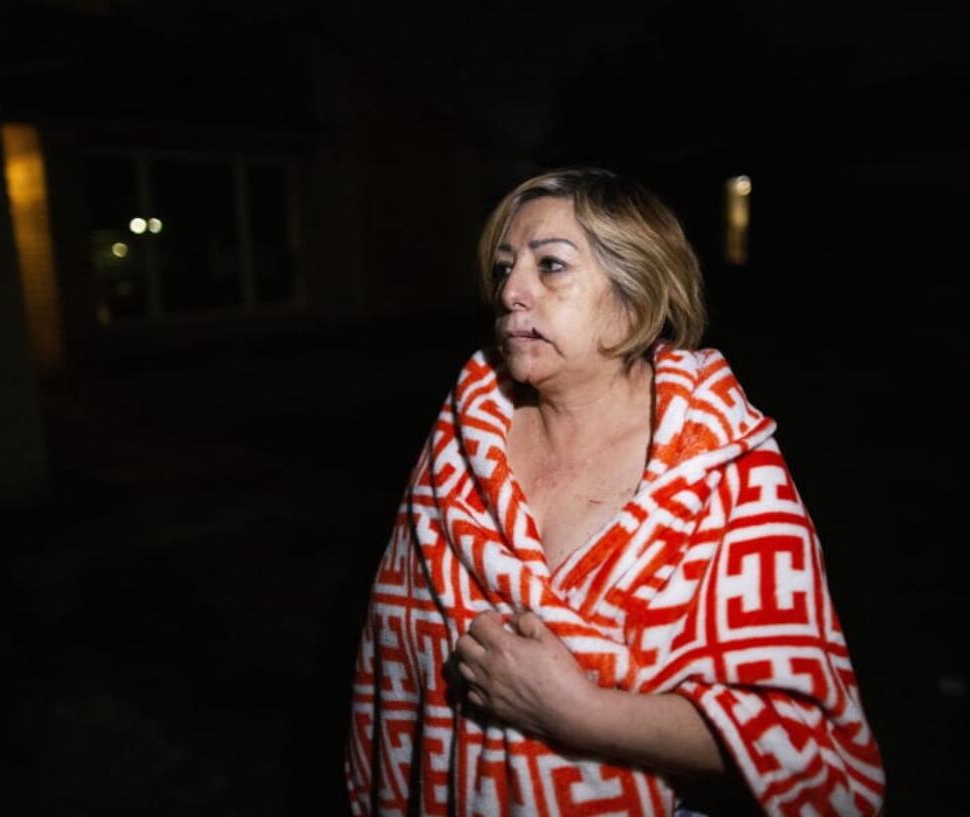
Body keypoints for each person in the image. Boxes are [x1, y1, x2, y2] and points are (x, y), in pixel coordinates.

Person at [345, 168, 884, 816]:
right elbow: (397, 656)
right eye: (504, 267)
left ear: (636, 294)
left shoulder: (723, 468)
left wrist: (582, 714)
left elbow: (799, 737)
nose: (511, 291)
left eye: (551, 266)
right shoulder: (459, 442)